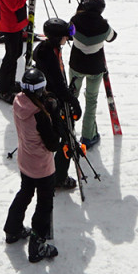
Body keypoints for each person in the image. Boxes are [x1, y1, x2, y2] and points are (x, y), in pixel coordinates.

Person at [5, 65, 61, 263]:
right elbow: (53, 143)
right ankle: (37, 246)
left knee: (25, 192)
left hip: (25, 160)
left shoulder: (19, 102)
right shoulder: (39, 114)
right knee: (44, 204)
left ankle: (12, 229)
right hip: (42, 167)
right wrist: (55, 114)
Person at [35, 17, 79, 189]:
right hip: (52, 102)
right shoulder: (48, 56)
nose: (67, 39)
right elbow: (58, 85)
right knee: (66, 137)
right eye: (65, 36)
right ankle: (59, 177)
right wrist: (72, 100)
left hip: (51, 98)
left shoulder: (49, 48)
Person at [68, 0, 116, 148]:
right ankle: (88, 136)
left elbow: (69, 33)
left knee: (71, 96)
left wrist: (78, 13)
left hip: (76, 65)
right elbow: (112, 37)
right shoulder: (103, 26)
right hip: (95, 68)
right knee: (91, 101)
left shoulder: (76, 20)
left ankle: (67, 129)